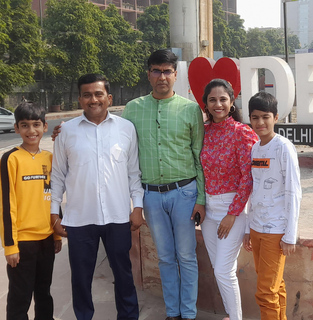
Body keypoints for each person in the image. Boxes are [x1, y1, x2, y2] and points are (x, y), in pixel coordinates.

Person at [50, 74, 144, 320]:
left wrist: (138, 207)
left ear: (109, 98)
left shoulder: (126, 129)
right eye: (87, 95)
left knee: (123, 275)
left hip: (117, 216)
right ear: (80, 99)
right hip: (80, 219)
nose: (94, 99)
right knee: (81, 279)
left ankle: (128, 316)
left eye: (99, 94)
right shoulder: (66, 132)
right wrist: (54, 213)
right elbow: (57, 176)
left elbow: (134, 172)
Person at [122, 49, 205, 320]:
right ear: (149, 74)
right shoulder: (133, 109)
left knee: (187, 256)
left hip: (184, 192)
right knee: (166, 257)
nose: (162, 76)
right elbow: (119, 147)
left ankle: (189, 314)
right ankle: (173, 313)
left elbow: (199, 155)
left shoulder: (190, 109)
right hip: (151, 197)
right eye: (156, 70)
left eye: (167, 71)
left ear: (175, 75)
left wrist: (201, 199)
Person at [200, 79, 258, 320]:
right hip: (208, 213)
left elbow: (249, 177)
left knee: (224, 271)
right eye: (212, 100)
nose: (218, 104)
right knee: (221, 269)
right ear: (205, 104)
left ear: (232, 102)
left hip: (231, 211)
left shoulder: (242, 133)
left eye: (223, 99)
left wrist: (233, 214)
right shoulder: (203, 132)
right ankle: (231, 314)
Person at [0, 102, 62, 320]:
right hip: (22, 243)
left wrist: (56, 233)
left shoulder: (50, 158)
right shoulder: (11, 159)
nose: (31, 131)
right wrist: (10, 246)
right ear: (16, 128)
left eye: (36, 125)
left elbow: (54, 197)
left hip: (46, 239)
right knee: (20, 297)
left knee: (44, 293)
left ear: (45, 126)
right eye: (25, 125)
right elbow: (7, 205)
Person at [243, 92, 302, 320]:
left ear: (276, 117)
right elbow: (254, 189)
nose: (260, 123)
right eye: (255, 117)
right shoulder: (256, 149)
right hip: (257, 228)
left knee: (265, 293)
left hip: (275, 231)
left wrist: (290, 234)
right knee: (275, 287)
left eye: (265, 117)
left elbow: (293, 192)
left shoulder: (283, 148)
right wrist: (248, 229)